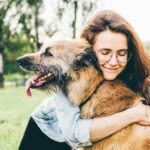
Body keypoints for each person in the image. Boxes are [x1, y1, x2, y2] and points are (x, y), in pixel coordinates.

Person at [19, 10, 150, 150]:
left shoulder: (133, 71)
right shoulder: (71, 75)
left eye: (121, 53)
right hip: (47, 134)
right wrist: (134, 114)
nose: (113, 61)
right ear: (90, 52)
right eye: (105, 52)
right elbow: (74, 133)